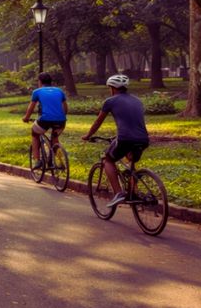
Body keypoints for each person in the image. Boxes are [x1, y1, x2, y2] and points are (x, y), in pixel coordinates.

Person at [81, 74, 150, 209]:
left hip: (125, 138)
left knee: (108, 159)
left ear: (112, 88)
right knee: (130, 160)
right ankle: (133, 191)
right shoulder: (137, 101)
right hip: (143, 139)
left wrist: (88, 135)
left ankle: (119, 193)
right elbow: (131, 120)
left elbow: (98, 122)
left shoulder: (110, 101)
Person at [22, 72, 68, 168]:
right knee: (55, 138)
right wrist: (61, 116)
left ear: (40, 81)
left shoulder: (37, 92)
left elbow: (31, 107)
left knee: (35, 134)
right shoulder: (60, 91)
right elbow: (65, 107)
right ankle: (60, 162)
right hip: (61, 121)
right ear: (51, 81)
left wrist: (26, 118)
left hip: (45, 120)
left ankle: (37, 160)